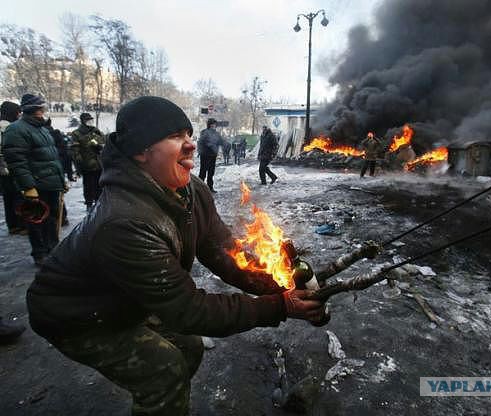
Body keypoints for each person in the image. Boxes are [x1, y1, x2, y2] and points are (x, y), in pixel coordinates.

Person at [26, 96, 326, 416]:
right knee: (163, 371)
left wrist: (280, 285)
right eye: (175, 136)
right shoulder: (123, 222)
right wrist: (281, 306)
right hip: (76, 314)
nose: (191, 145)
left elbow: (224, 252)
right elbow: (188, 310)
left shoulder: (191, 189)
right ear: (141, 151)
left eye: (189, 134)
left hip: (126, 298)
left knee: (189, 347)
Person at [2, 94, 65, 266]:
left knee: (51, 218)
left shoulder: (42, 129)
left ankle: (53, 248)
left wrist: (61, 180)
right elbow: (17, 161)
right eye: (40, 108)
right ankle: (40, 253)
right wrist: (28, 186)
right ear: (32, 109)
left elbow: (52, 157)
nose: (43, 111)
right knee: (37, 220)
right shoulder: (16, 129)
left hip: (50, 183)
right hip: (36, 184)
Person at [0, 101, 26, 235]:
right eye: (17, 112)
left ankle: (12, 225)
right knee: (18, 196)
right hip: (11, 167)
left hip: (2, 170)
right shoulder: (10, 128)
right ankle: (22, 224)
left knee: (8, 198)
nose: (19, 115)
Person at [70, 113, 104, 211]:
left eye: (91, 120)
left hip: (99, 163)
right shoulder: (77, 133)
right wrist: (79, 162)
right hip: (87, 165)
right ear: (83, 121)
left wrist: (99, 146)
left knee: (99, 185)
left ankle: (99, 203)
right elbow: (74, 149)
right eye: (87, 120)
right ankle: (89, 203)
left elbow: (103, 142)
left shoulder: (96, 131)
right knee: (89, 185)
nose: (90, 122)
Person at [44, 118, 71, 226]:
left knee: (52, 198)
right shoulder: (55, 134)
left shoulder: (49, 135)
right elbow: (66, 154)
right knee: (57, 198)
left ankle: (60, 219)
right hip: (56, 169)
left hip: (49, 171)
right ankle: (62, 219)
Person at [197, 118, 223, 192]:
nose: (213, 126)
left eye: (214, 125)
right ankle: (199, 188)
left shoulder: (216, 133)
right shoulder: (204, 132)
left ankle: (210, 187)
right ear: (209, 125)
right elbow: (201, 142)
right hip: (205, 155)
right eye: (212, 125)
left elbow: (220, 141)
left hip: (213, 155)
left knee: (211, 172)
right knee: (203, 172)